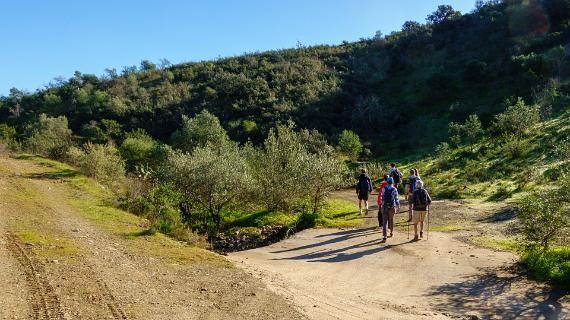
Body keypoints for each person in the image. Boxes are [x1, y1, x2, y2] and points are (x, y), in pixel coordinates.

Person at [381, 177, 400, 242]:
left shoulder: (384, 189)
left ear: (387, 182)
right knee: (391, 219)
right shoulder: (394, 189)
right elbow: (396, 198)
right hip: (392, 206)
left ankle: (384, 236)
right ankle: (391, 232)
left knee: (384, 221)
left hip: (385, 206)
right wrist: (398, 206)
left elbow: (382, 198)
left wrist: (381, 206)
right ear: (392, 182)